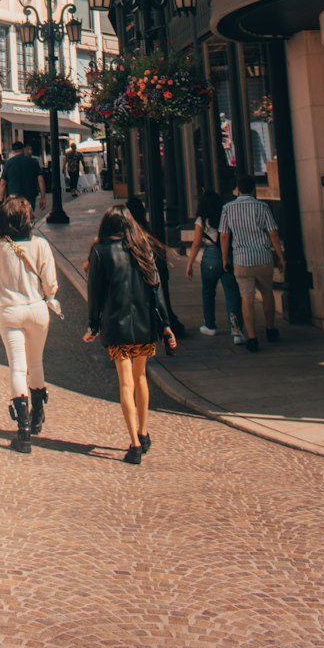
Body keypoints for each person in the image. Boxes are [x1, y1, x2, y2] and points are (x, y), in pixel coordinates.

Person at [84, 203, 174, 465]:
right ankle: (143, 432)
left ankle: (134, 444)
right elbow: (156, 289)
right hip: (144, 323)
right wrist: (165, 323)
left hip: (117, 324)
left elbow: (95, 294)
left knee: (126, 383)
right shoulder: (142, 248)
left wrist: (93, 325)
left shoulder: (100, 252)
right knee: (141, 378)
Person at [0, 196, 60, 453]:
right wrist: (47, 293)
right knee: (36, 362)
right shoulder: (41, 246)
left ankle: (23, 430)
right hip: (37, 308)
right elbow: (51, 283)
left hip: (10, 310)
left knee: (17, 367)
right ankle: (38, 413)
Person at [219, 172, 286, 353]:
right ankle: (270, 329)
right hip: (262, 257)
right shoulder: (262, 207)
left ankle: (252, 337)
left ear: (238, 189)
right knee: (267, 292)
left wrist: (225, 258)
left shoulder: (228, 209)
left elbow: (224, 235)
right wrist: (280, 256)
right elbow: (272, 233)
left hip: (241, 259)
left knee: (246, 298)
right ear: (253, 189)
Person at [185, 187, 244, 343]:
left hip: (210, 255)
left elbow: (197, 243)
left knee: (208, 292)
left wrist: (190, 264)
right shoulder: (225, 215)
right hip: (226, 254)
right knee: (232, 293)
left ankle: (210, 325)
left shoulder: (201, 220)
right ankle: (236, 329)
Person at [126, 195, 185, 338]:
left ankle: (159, 325)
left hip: (147, 273)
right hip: (157, 271)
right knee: (160, 300)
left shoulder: (131, 235)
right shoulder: (147, 232)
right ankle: (166, 323)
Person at [0, 139, 46, 215]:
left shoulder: (8, 163)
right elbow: (40, 180)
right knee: (27, 219)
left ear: (13, 151)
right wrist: (43, 197)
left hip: (13, 198)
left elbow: (3, 184)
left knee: (15, 220)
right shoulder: (33, 162)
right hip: (29, 197)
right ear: (23, 149)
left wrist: (1, 200)